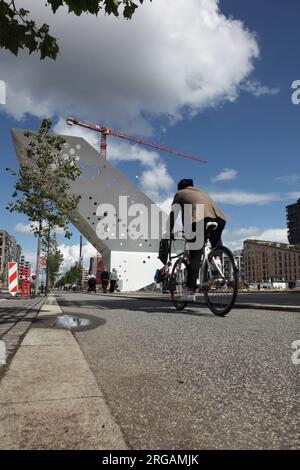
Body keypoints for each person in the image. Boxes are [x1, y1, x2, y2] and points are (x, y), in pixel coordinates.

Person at [167, 178, 226, 300]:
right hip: (219, 219)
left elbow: (174, 214)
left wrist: (169, 232)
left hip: (199, 220)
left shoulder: (180, 193)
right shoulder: (202, 192)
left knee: (195, 256)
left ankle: (189, 292)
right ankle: (217, 261)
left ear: (180, 188)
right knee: (216, 241)